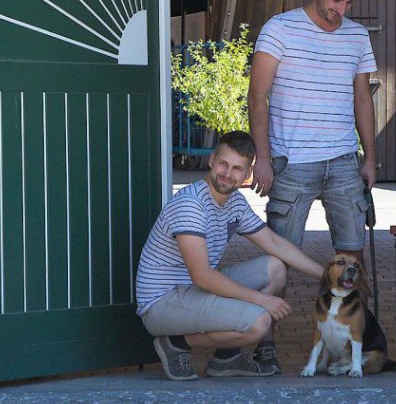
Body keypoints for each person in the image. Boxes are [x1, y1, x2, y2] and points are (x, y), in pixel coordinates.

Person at [135, 131, 323, 381]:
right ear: (212, 160)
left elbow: (276, 244)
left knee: (276, 267)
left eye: (237, 168)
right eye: (223, 163)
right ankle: (176, 343)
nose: (227, 174)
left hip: (193, 292)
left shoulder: (234, 202)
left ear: (246, 174)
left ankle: (226, 358)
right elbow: (202, 276)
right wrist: (261, 301)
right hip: (162, 303)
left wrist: (327, 275)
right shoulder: (190, 205)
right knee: (259, 323)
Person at [248, 0, 378, 257]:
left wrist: (370, 158)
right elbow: (257, 97)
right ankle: (273, 307)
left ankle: (353, 307)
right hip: (292, 162)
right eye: (336, 0)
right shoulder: (279, 29)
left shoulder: (358, 35)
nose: (342, 10)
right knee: (280, 259)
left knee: (352, 258)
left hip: (344, 160)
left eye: (349, 2)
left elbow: (362, 98)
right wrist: (263, 158)